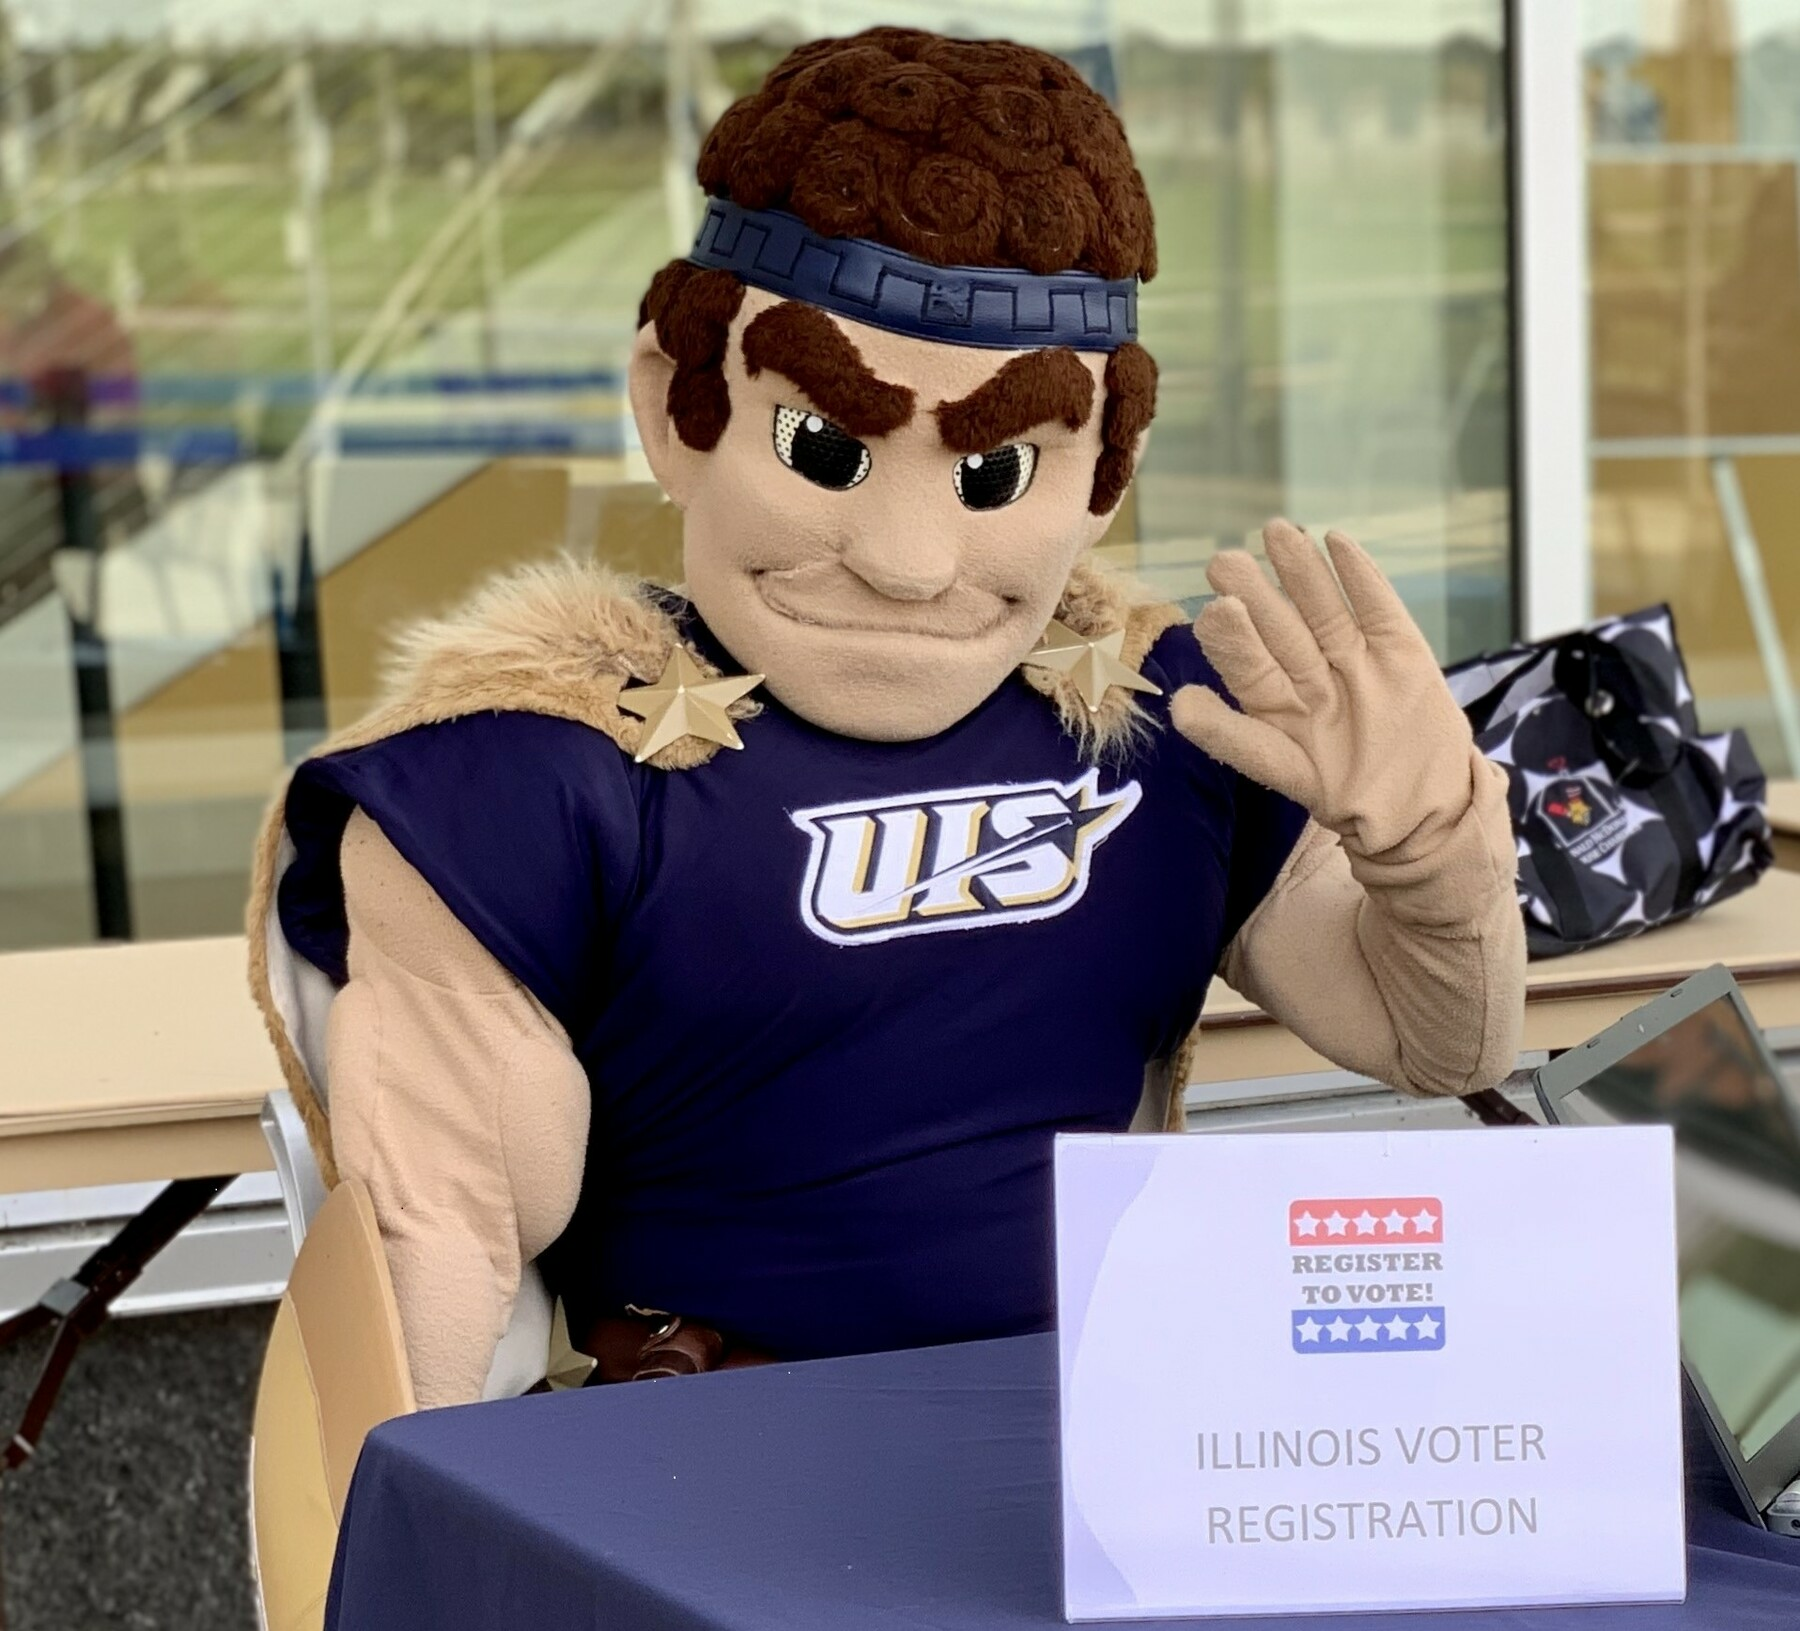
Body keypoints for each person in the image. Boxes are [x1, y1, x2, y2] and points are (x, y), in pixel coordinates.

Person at [249, 29, 1525, 1408]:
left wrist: (1438, 853)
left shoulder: (1176, 724)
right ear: (678, 406)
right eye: (827, 450)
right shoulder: (538, 773)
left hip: (1116, 1446)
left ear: (1109, 470)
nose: (907, 560)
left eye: (995, 470)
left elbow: (1439, 1045)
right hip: (721, 1472)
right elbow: (441, 1249)